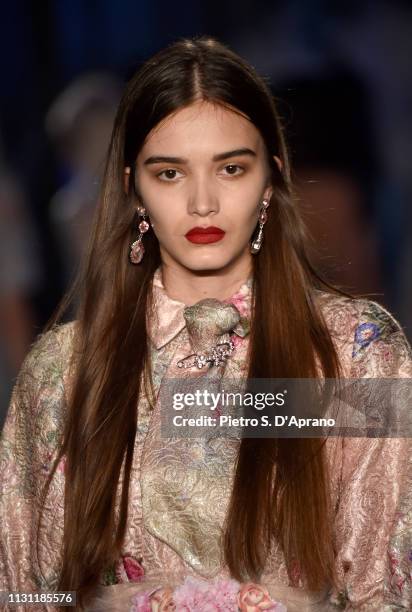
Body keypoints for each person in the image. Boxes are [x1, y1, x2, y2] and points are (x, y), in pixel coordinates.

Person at [1, 36, 411, 612]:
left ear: (272, 177)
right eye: (169, 173)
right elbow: (29, 591)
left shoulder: (359, 352)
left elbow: (385, 586)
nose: (201, 202)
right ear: (131, 188)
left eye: (230, 168)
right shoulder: (61, 374)